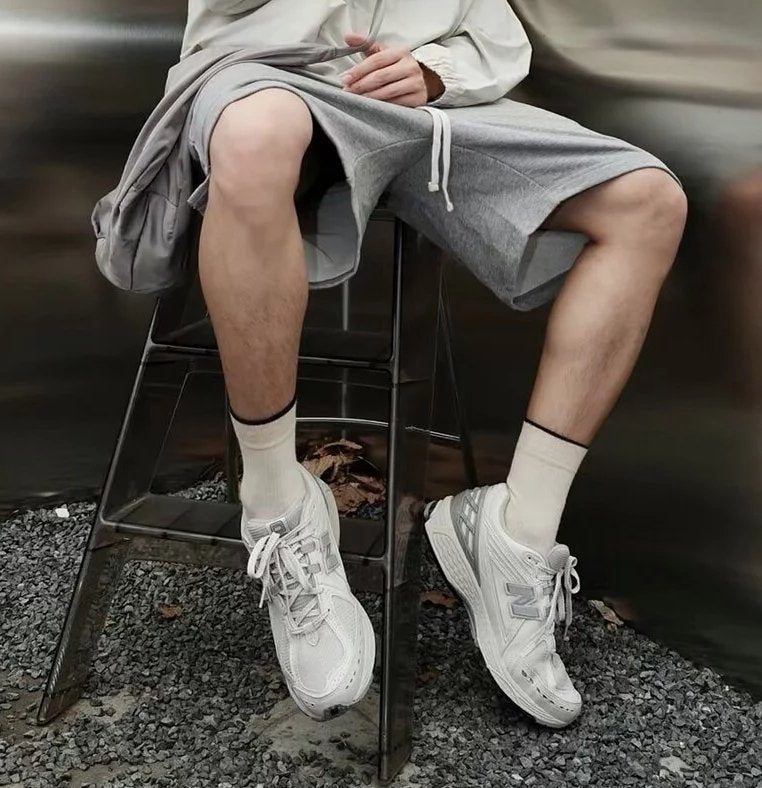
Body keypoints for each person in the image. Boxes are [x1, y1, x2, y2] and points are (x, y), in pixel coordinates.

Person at [183, 0, 686, 726]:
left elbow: (491, 30)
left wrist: (434, 69)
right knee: (258, 133)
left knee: (648, 202)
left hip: (421, 111)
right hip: (264, 76)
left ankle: (517, 532)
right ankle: (278, 506)